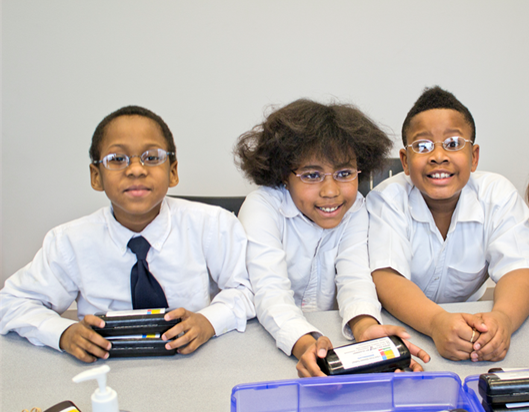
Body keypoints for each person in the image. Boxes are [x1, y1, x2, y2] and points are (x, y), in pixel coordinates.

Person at [0, 105, 255, 362]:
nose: (135, 169)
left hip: (198, 365)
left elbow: (248, 289)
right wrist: (63, 333)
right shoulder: (70, 242)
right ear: (96, 176)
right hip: (103, 373)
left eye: (152, 157)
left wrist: (207, 321)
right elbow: (11, 303)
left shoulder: (212, 225)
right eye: (117, 159)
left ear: (173, 171)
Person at [234, 98, 429, 377]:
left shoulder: (356, 208)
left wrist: (365, 327)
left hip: (332, 342)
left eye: (344, 173)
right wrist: (307, 345)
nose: (330, 191)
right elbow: (269, 292)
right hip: (261, 344)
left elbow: (354, 277)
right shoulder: (262, 207)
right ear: (283, 175)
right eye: (312, 175)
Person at [367, 86, 529, 362]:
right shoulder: (387, 199)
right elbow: (386, 276)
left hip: (471, 327)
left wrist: (502, 320)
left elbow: (519, 269)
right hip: (403, 327)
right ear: (405, 161)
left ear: (474, 157)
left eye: (453, 144)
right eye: (423, 146)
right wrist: (435, 322)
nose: (438, 156)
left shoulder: (498, 195)